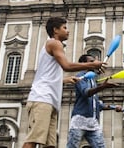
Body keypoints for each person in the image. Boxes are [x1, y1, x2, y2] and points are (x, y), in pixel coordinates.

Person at [23, 17, 107, 148]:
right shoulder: (54, 43)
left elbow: (47, 75)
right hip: (42, 98)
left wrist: (64, 80)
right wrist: (92, 65)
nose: (68, 31)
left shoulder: (54, 46)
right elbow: (66, 66)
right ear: (55, 30)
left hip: (50, 100)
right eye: (65, 28)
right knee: (32, 140)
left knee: (50, 145)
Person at [67, 54, 122, 148]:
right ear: (84, 64)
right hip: (80, 120)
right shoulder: (80, 77)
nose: (95, 63)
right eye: (91, 61)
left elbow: (97, 105)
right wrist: (102, 87)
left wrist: (114, 107)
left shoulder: (92, 80)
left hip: (93, 122)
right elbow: (86, 93)